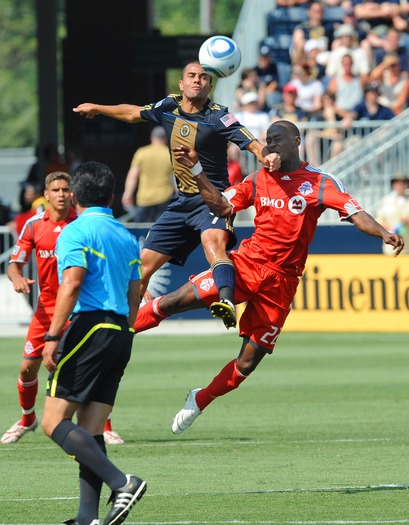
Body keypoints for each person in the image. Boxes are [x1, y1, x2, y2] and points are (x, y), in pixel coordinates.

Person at [132, 120, 404, 434]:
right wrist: (196, 171)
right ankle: (119, 331)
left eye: (276, 139)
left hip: (282, 283)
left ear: (297, 140)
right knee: (174, 302)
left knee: (246, 364)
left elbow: (355, 212)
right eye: (267, 140)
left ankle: (201, 398)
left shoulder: (319, 182)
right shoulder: (258, 179)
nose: (270, 145)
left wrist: (383, 232)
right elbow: (221, 206)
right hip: (246, 266)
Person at [73, 62, 281, 329]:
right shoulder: (168, 107)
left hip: (213, 200)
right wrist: (98, 108)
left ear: (210, 86)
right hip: (181, 202)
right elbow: (133, 113)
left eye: (204, 77)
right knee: (142, 269)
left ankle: (227, 302)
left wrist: (269, 155)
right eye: (192, 76)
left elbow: (252, 143)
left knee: (213, 246)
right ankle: (121, 329)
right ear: (181, 84)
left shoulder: (219, 117)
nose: (198, 80)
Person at [41, 161, 146, 525]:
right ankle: (87, 518)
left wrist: (53, 336)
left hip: (89, 325)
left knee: (53, 422)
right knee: (90, 429)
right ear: (112, 196)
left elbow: (72, 283)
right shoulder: (126, 234)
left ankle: (122, 481)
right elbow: (137, 292)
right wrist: (126, 328)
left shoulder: (74, 231)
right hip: (121, 331)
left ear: (73, 196)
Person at [1, 172, 123, 447]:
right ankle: (27, 418)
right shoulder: (33, 225)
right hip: (46, 311)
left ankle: (105, 426)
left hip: (81, 308)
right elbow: (14, 264)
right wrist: (17, 278)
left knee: (91, 367)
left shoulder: (82, 224)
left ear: (73, 194)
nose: (60, 194)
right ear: (46, 194)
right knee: (27, 369)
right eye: (55, 189)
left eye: (65, 189)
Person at [122, 126, 176, 223]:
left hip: (144, 199)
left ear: (152, 137)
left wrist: (127, 195)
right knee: (160, 231)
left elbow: (133, 176)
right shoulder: (170, 154)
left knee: (141, 231)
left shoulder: (141, 152)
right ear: (166, 139)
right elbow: (175, 178)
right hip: (164, 198)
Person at [376, 173, 409, 254]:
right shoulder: (387, 201)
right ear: (393, 185)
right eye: (397, 182)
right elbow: (379, 221)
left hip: (407, 246)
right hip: (390, 246)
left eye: (403, 182)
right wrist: (390, 227)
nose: (400, 185)